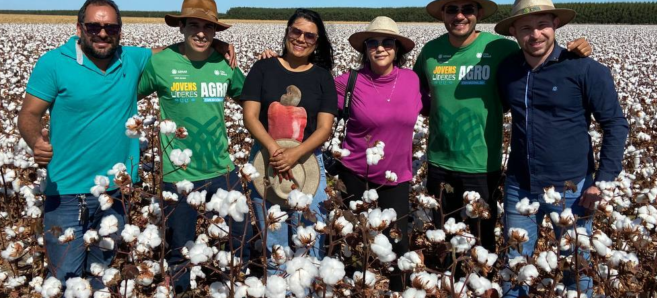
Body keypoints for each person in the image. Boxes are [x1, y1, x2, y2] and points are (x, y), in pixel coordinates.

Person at [18, 0, 236, 289]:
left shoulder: (131, 58)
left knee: (101, 272)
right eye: (94, 26)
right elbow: (29, 114)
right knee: (65, 277)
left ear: (120, 31)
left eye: (111, 27)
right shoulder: (54, 62)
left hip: (116, 190)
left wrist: (216, 45)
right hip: (67, 192)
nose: (103, 33)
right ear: (79, 28)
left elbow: (175, 53)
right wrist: (35, 140)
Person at [413, 0, 592, 261]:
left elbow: (540, 58)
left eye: (468, 9)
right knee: (445, 235)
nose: (460, 15)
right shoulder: (430, 51)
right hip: (440, 161)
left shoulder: (500, 48)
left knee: (482, 236)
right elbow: (415, 88)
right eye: (452, 9)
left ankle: (481, 283)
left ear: (479, 13)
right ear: (442, 13)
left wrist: (572, 55)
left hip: (483, 163)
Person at [494, 0, 630, 296]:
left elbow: (616, 124)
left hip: (573, 188)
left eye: (542, 25)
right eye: (526, 28)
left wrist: (603, 181)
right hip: (521, 183)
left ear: (555, 25)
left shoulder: (584, 69)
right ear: (514, 32)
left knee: (576, 266)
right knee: (515, 265)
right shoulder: (507, 70)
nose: (535, 34)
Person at [136, 0, 250, 293]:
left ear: (215, 31)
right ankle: (182, 291)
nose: (201, 33)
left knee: (241, 237)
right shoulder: (160, 63)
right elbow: (125, 95)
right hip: (179, 175)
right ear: (181, 27)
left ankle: (238, 285)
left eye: (208, 27)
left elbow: (250, 99)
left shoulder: (223, 62)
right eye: (194, 26)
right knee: (180, 249)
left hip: (222, 168)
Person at [241, 8, 337, 266]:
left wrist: (295, 153)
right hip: (265, 160)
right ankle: (277, 285)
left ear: (317, 43)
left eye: (310, 36)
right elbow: (250, 116)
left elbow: (324, 128)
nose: (301, 39)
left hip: (308, 162)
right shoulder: (263, 68)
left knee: (309, 237)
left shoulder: (322, 77)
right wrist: (274, 149)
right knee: (275, 242)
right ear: (287, 32)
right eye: (297, 31)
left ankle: (307, 288)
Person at [333, 16, 420, 291]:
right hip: (355, 174)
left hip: (397, 177)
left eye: (388, 43)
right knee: (353, 242)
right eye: (373, 43)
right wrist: (276, 62)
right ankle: (354, 289)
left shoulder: (412, 79)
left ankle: (398, 292)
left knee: (398, 243)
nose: (380, 48)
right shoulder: (347, 81)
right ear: (365, 48)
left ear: (398, 49)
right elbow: (310, 95)